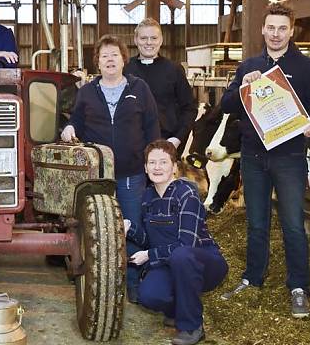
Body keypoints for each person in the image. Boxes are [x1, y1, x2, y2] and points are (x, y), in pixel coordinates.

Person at [219, 3, 310, 318]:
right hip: (253, 155)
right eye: (271, 28)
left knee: (293, 223)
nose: (276, 34)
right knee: (256, 222)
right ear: (263, 29)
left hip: (289, 157)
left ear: (291, 31)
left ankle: (299, 287)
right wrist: (243, 84)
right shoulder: (249, 65)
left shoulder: (306, 67)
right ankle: (253, 278)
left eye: (282, 28)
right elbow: (227, 105)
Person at [60, 34, 160, 303]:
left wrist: (153, 162)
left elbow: (152, 127)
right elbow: (76, 121)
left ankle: (133, 283)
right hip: (98, 175)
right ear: (98, 62)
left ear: (124, 59)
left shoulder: (139, 88)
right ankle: (100, 283)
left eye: (115, 54)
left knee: (131, 227)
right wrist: (69, 128)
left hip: (131, 173)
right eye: (104, 56)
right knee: (97, 227)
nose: (110, 60)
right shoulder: (87, 91)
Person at [125, 140, 228, 345]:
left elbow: (187, 244)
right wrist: (129, 229)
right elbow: (150, 240)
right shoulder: (148, 197)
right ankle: (177, 309)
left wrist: (149, 255)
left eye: (163, 162)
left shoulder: (186, 193)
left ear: (174, 167)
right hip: (170, 262)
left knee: (182, 256)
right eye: (152, 163)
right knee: (148, 296)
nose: (157, 167)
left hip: (203, 262)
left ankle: (192, 326)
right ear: (145, 168)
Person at [124, 17, 198, 153]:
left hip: (166, 144)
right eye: (143, 38)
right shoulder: (125, 70)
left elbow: (189, 108)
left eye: (154, 38)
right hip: (130, 146)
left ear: (161, 40)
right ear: (135, 40)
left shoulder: (174, 70)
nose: (149, 42)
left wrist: (177, 139)